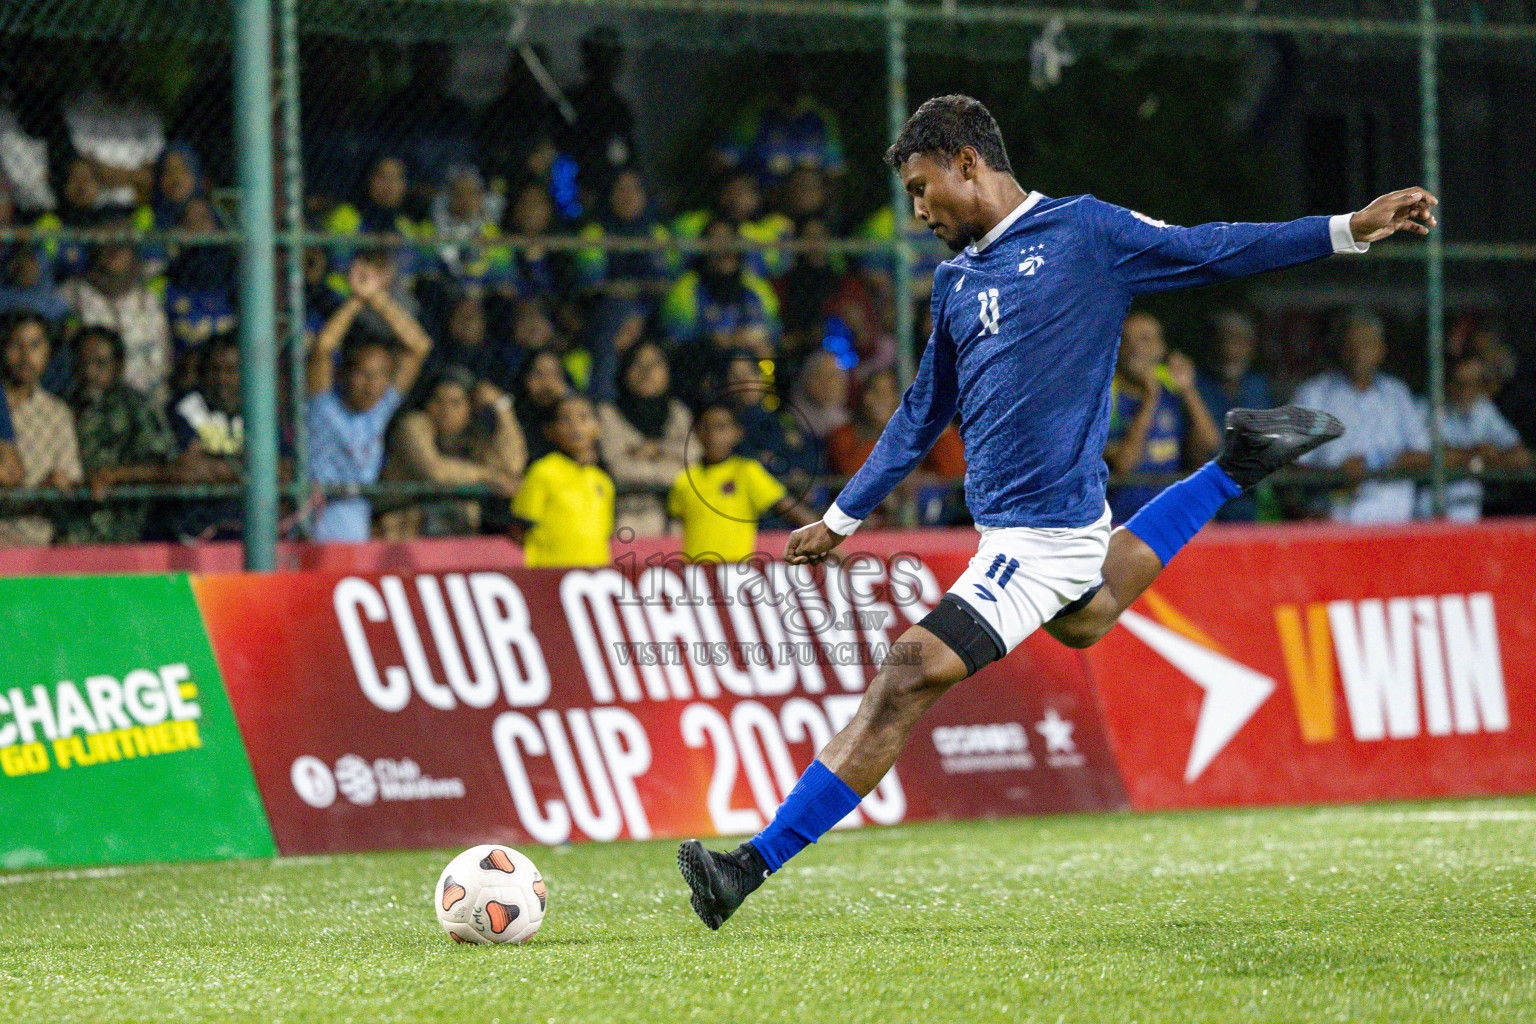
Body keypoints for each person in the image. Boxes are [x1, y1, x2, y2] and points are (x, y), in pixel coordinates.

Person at [678, 93, 1436, 929]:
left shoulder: (1086, 234)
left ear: (968, 162)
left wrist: (1347, 227)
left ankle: (746, 868)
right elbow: (922, 411)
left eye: (924, 189)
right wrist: (844, 516)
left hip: (1039, 536)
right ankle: (1232, 470)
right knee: (1088, 616)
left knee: (905, 673)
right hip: (1039, 532)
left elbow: (1212, 250)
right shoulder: (957, 281)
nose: (920, 211)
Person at [307, 258, 433, 542]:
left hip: (357, 535)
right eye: (362, 375)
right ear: (344, 376)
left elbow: (419, 346)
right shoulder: (323, 407)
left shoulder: (381, 409)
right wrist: (355, 301)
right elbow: (323, 348)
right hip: (311, 532)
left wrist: (376, 297)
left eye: (379, 377)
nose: (370, 385)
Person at [1291, 308, 1431, 524]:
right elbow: (1288, 466)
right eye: (1351, 344)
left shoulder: (1397, 393)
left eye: (1367, 344)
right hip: (1335, 522)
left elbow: (1425, 453)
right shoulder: (1314, 393)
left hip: (1396, 522)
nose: (1358, 352)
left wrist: (1400, 461)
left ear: (1381, 350)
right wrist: (1336, 475)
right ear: (1340, 349)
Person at [378, 367, 526, 538]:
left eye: (455, 403)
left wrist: (502, 407)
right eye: (437, 401)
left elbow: (512, 467)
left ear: (469, 408)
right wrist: (487, 475)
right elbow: (435, 471)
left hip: (457, 541)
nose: (446, 410)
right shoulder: (414, 424)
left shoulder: (474, 434)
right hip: (405, 538)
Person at [1104, 312, 1221, 521]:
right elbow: (1124, 466)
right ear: (1118, 349)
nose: (1138, 349)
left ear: (1162, 348)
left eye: (1148, 340)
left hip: (1171, 518)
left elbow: (1211, 445)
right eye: (1129, 341)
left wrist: (1189, 391)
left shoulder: (1173, 390)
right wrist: (1150, 399)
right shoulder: (1107, 396)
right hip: (1125, 521)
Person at [65, 325, 174, 543]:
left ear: (119, 365)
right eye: (83, 363)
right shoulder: (63, 405)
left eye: (100, 363)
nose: (90, 372)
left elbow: (165, 467)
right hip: (72, 527)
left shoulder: (137, 408)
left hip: (127, 527)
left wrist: (114, 475)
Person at [667, 403, 818, 562]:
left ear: (737, 433)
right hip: (697, 577)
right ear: (696, 432)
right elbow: (673, 530)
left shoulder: (746, 472)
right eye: (705, 427)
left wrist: (826, 541)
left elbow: (791, 509)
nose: (712, 435)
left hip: (735, 574)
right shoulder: (684, 479)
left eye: (721, 427)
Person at [60, 230, 173, 403]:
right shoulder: (73, 295)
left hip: (144, 399)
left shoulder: (148, 300)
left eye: (121, 246)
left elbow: (162, 361)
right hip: (90, 398)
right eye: (107, 245)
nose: (114, 252)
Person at [0, 312, 82, 545]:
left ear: (48, 353)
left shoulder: (57, 414)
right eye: (16, 345)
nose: (26, 356)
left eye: (35, 346)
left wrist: (57, 486)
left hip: (36, 546)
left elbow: (69, 481)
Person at [1417, 355, 1531, 522]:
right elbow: (1424, 456)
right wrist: (1477, 454)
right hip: (1430, 504)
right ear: (1445, 382)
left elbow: (1520, 454)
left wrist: (1489, 456)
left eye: (1473, 384)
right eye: (1459, 383)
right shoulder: (1425, 407)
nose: (1466, 390)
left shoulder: (1482, 407)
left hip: (1470, 506)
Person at [598, 341, 691, 537]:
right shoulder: (607, 414)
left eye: (655, 364)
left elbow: (691, 468)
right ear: (624, 371)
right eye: (638, 364)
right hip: (624, 520)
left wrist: (651, 451)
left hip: (676, 524)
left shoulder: (679, 414)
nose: (647, 371)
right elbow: (620, 470)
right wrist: (668, 457)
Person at [511, 394, 613, 568]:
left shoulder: (603, 480)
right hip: (550, 575)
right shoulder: (542, 471)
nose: (575, 426)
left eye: (583, 417)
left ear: (598, 427)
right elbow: (520, 528)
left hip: (596, 574)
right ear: (550, 431)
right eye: (565, 420)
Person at [167, 333, 245, 541]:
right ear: (201, 374)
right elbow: (190, 469)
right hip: (195, 533)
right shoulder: (185, 407)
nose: (222, 379)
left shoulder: (259, 407)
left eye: (231, 371)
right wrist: (250, 467)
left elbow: (284, 467)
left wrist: (214, 465)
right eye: (214, 370)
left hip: (250, 530)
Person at [1195, 311, 1272, 521]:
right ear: (1211, 343)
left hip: (1248, 505)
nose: (1229, 349)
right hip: (1202, 505)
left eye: (1239, 340)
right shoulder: (1195, 385)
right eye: (1224, 338)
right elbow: (1200, 450)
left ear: (1251, 346)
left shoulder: (1257, 387)